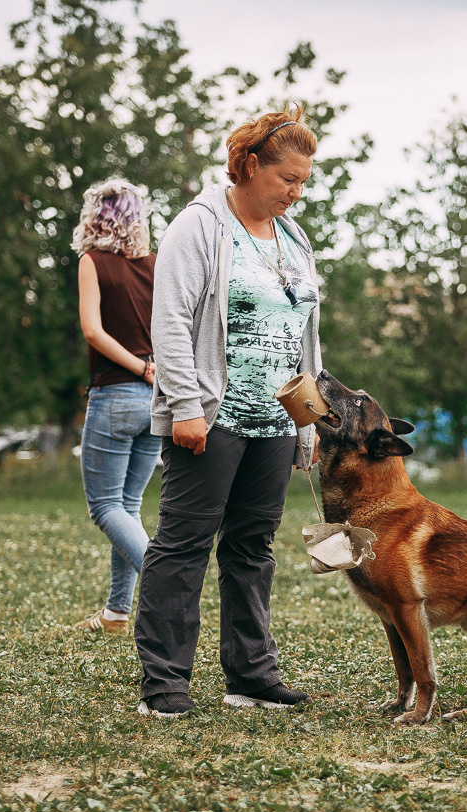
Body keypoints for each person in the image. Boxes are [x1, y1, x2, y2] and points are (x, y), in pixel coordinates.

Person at [134, 107, 323, 718]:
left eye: (303, 182)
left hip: (273, 423)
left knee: (252, 547)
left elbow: (305, 334)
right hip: (211, 419)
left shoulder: (293, 238)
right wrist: (186, 406)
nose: (296, 193)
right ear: (248, 166)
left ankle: (251, 676)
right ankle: (165, 681)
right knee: (183, 544)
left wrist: (308, 418)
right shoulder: (199, 226)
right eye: (286, 179)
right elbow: (169, 322)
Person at [70, 178, 161, 635]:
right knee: (127, 507)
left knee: (105, 508)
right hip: (155, 403)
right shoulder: (156, 264)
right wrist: (155, 371)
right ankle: (116, 614)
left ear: (96, 216)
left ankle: (164, 589)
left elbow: (93, 332)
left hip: (116, 395)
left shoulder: (92, 261)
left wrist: (140, 369)